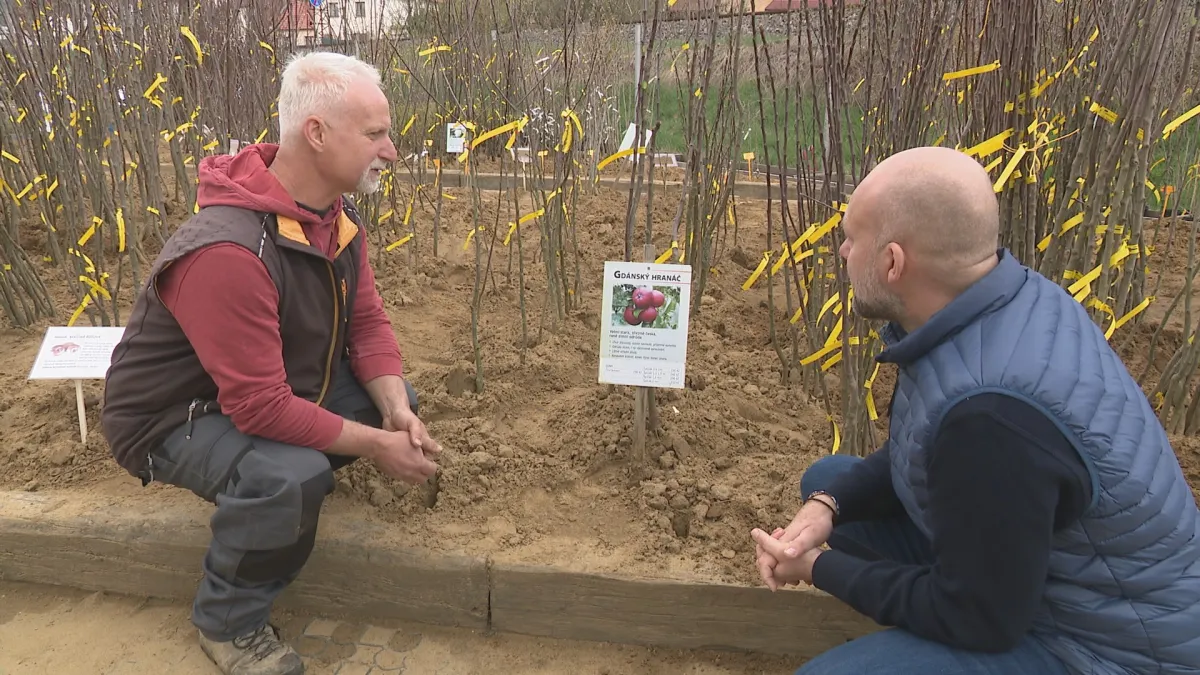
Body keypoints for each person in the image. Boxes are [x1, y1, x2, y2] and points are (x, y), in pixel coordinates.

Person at [750, 146, 1200, 674]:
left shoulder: (990, 416)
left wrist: (819, 568)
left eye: (852, 238)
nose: (842, 251)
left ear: (893, 263)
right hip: (1051, 580)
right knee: (832, 480)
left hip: (1109, 647)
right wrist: (827, 504)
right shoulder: (1008, 302)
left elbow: (979, 617)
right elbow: (925, 445)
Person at [101, 51, 441, 675]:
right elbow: (258, 406)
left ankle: (273, 499)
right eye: (374, 134)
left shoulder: (332, 218)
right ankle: (228, 624)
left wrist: (393, 413)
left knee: (394, 405)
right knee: (290, 476)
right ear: (316, 134)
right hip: (174, 414)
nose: (389, 151)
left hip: (266, 385)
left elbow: (366, 323)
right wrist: (373, 447)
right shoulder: (228, 249)